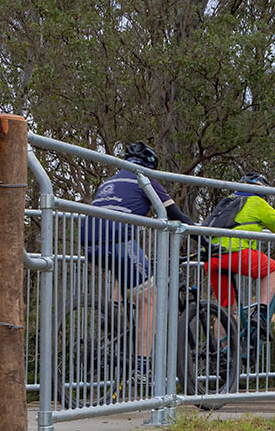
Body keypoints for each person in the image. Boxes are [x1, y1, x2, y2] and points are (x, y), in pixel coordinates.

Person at [80, 142, 192, 386]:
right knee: (151, 300)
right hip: (118, 239)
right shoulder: (145, 181)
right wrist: (203, 235)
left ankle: (115, 311)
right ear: (150, 165)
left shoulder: (108, 182)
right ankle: (142, 367)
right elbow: (176, 215)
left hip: (88, 242)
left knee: (129, 265)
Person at [205, 172, 275, 326]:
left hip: (212, 257)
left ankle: (219, 350)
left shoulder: (227, 202)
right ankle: (261, 314)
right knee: (272, 268)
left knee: (226, 311)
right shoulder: (257, 202)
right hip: (236, 253)